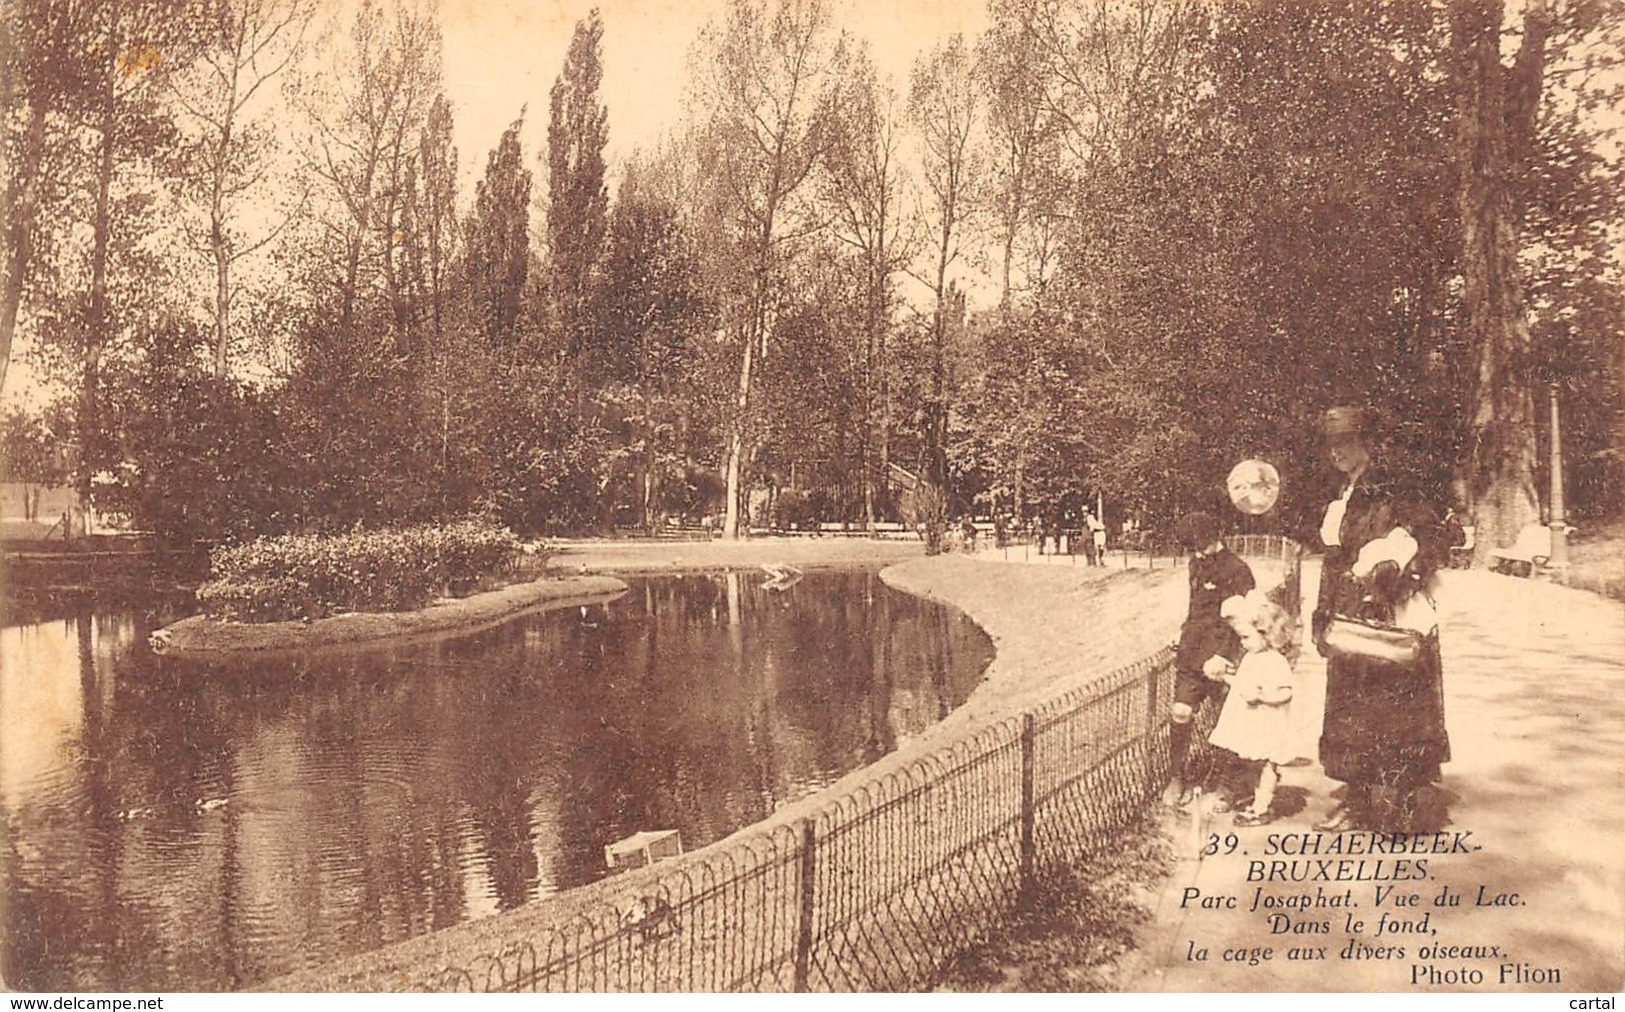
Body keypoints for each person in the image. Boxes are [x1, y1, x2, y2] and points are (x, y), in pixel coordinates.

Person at [1311, 405, 1450, 832]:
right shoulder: (1343, 494)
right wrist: (1322, 613)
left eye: (1346, 442)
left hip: (1388, 613)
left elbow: (1433, 539)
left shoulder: (1394, 489)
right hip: (1349, 615)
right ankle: (1357, 800)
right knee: (1351, 708)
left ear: (1367, 443)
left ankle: (1401, 807)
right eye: (1332, 444)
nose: (1337, 452)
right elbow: (1333, 562)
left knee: (1395, 708)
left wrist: (1396, 572)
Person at [1162, 511, 1256, 808]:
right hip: (1192, 654)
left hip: (1222, 660)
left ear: (1210, 538)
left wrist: (1222, 656)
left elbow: (1244, 621)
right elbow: (1196, 608)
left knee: (1227, 722)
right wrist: (1182, 632)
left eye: (1195, 545)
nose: (1194, 552)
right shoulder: (1195, 564)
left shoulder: (1238, 570)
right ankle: (1177, 777)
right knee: (1180, 712)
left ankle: (1229, 784)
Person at [1206, 591, 1298, 826]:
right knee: (1255, 764)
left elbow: (1286, 692)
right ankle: (1256, 800)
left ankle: (1261, 808)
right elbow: (1242, 684)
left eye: (1246, 637)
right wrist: (1225, 676)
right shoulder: (1252, 657)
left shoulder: (1274, 661)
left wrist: (1262, 696)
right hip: (1252, 723)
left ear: (1267, 635)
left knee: (1267, 765)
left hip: (1267, 722)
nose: (1242, 643)